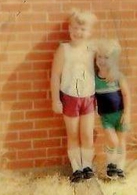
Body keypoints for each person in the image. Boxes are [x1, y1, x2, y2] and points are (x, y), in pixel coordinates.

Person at [51, 10, 97, 183]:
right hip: (70, 97)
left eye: (83, 29)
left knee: (86, 134)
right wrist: (56, 99)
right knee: (72, 133)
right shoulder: (64, 49)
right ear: (70, 28)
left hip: (88, 97)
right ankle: (76, 168)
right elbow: (55, 75)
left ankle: (87, 166)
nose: (79, 32)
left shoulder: (92, 49)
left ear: (90, 32)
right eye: (75, 28)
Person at [94, 39, 130, 179]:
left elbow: (126, 95)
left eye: (106, 57)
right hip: (106, 117)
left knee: (121, 142)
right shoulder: (95, 79)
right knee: (113, 141)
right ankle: (110, 163)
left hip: (120, 114)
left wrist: (127, 113)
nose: (102, 60)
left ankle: (120, 168)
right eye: (99, 57)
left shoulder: (118, 77)